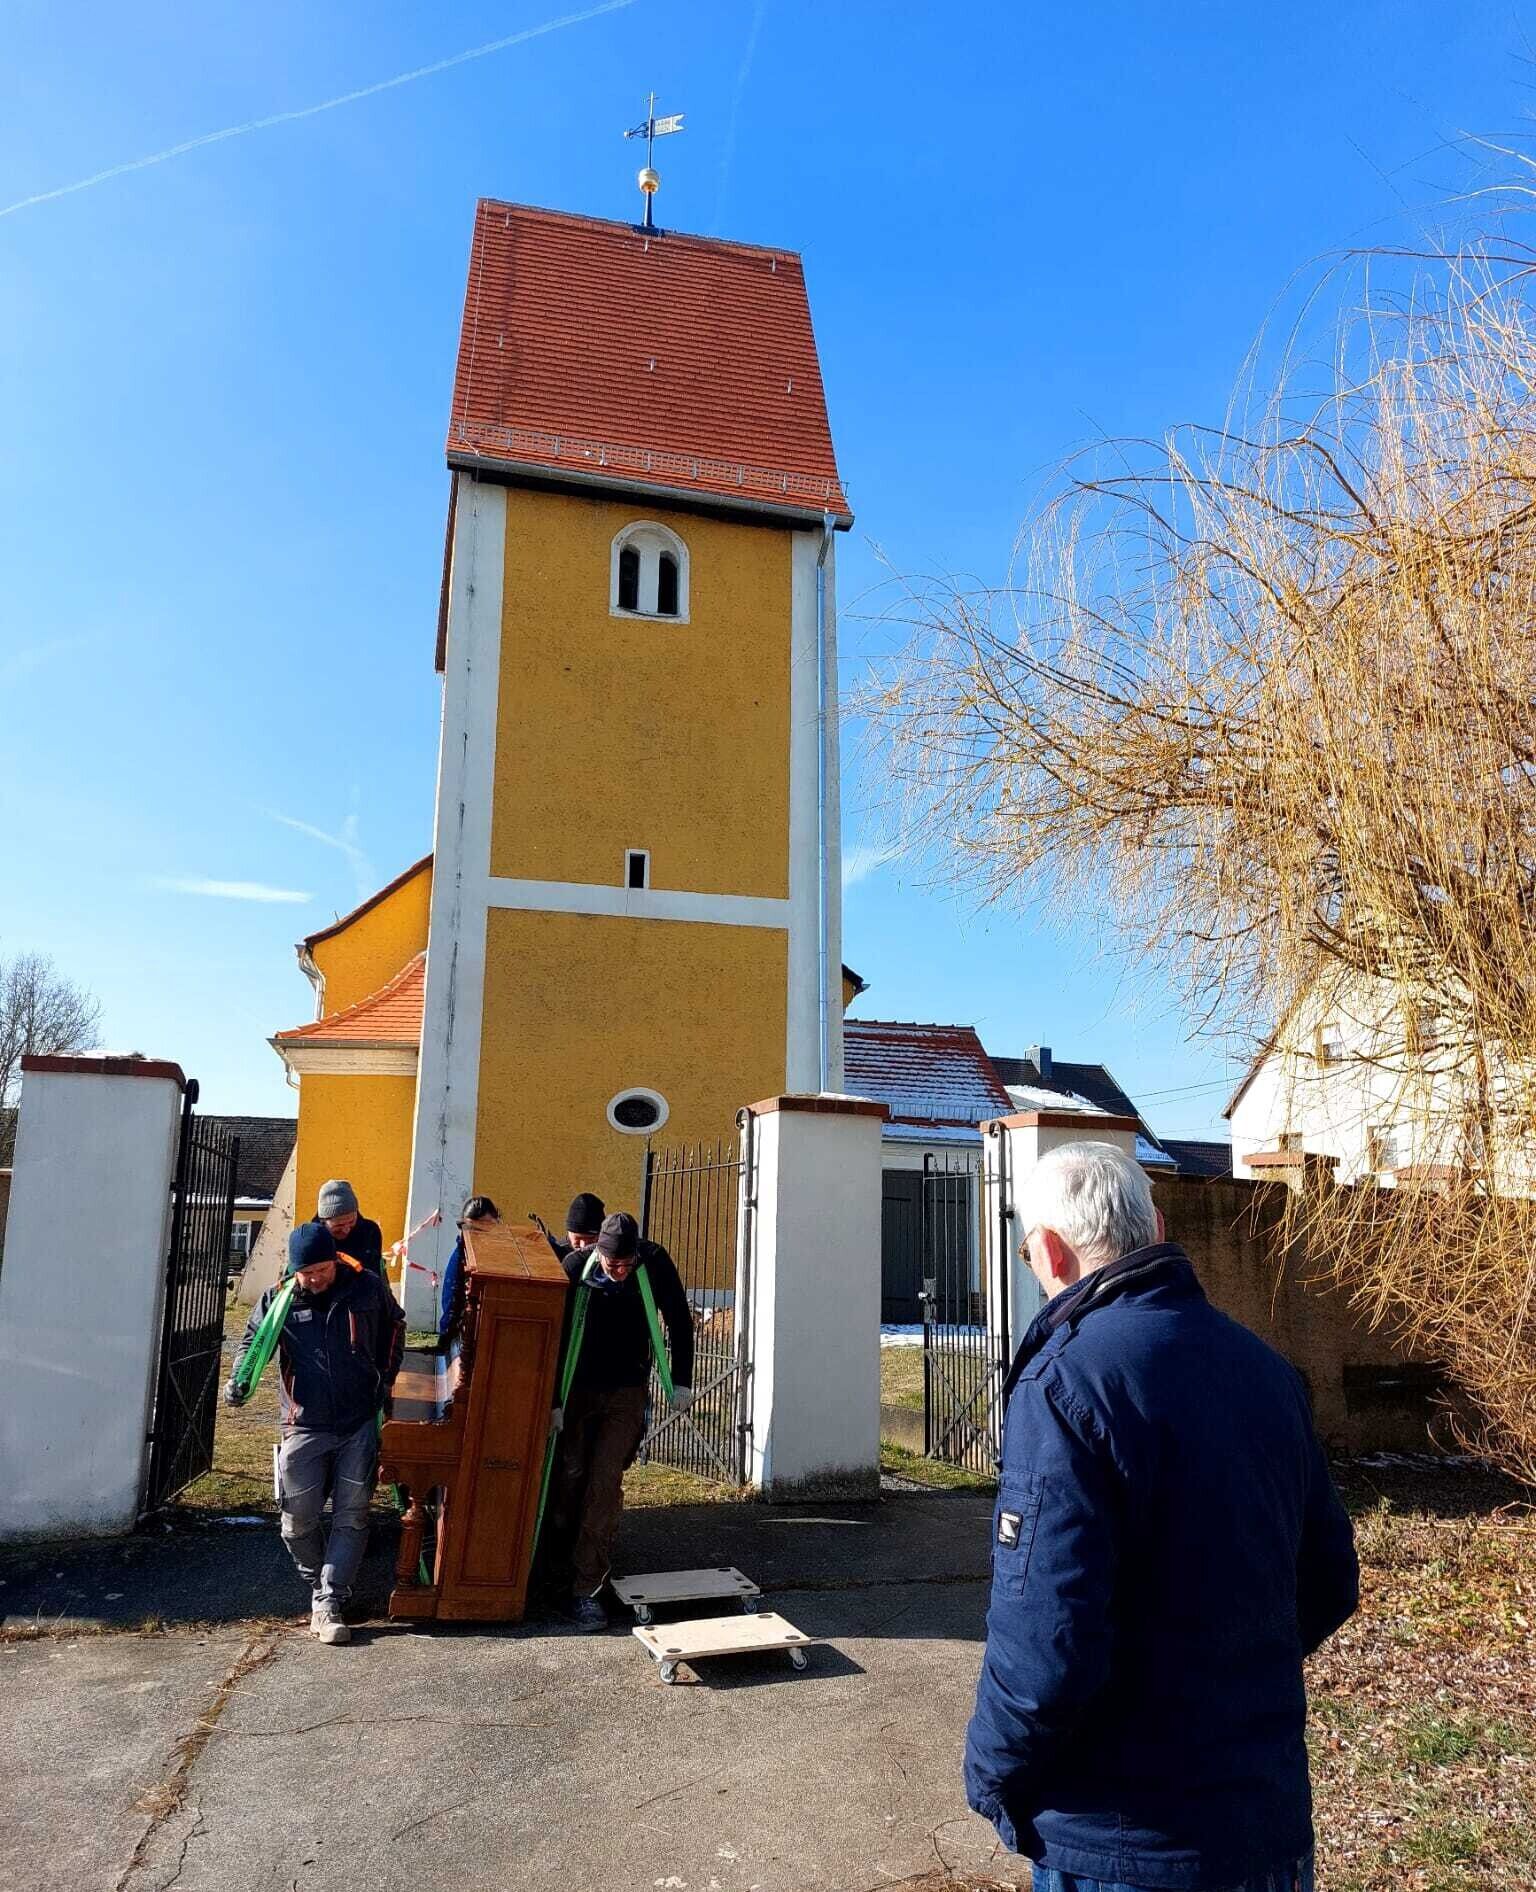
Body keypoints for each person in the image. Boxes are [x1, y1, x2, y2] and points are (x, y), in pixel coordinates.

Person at [964, 1141, 1359, 1892]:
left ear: (1048, 1249)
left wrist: (989, 1771)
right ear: (1157, 1225)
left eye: (1025, 1253)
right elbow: (1330, 1578)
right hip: (1266, 1823)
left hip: (1127, 1838)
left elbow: (1045, 1638)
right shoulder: (1264, 1366)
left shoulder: (1064, 1380)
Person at [226, 1222, 405, 1644]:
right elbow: (252, 1343)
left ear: (335, 1260)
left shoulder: (366, 1287)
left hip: (357, 1422)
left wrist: (385, 1377)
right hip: (303, 1425)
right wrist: (238, 1381)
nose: (316, 1278)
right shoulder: (279, 1299)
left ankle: (329, 1602)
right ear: (294, 1270)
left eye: (323, 1268)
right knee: (297, 1521)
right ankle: (322, 1588)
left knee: (352, 1515)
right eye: (308, 1272)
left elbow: (396, 1325)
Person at [543, 1210, 694, 1631]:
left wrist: (680, 1381)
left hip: (627, 1390)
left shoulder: (654, 1262)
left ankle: (587, 1587)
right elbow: (553, 1333)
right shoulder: (576, 1267)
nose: (622, 1272)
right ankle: (554, 1572)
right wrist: (553, 1400)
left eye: (628, 1265)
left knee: (604, 1482)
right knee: (569, 1475)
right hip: (579, 1388)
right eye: (614, 1266)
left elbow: (679, 1320)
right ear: (599, 1252)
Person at [437, 1195, 501, 1339]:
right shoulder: (461, 1257)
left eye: (487, 1229)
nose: (481, 1236)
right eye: (475, 1231)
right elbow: (452, 1303)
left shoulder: (502, 1253)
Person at [316, 1178, 384, 1279]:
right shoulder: (312, 1239)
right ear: (323, 1222)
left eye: (351, 1222)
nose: (346, 1230)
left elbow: (374, 1272)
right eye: (338, 1225)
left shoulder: (370, 1231)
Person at [542, 1191, 605, 1264]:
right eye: (578, 1238)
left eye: (590, 1238)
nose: (583, 1245)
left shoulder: (610, 1258)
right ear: (569, 1232)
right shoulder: (556, 1255)